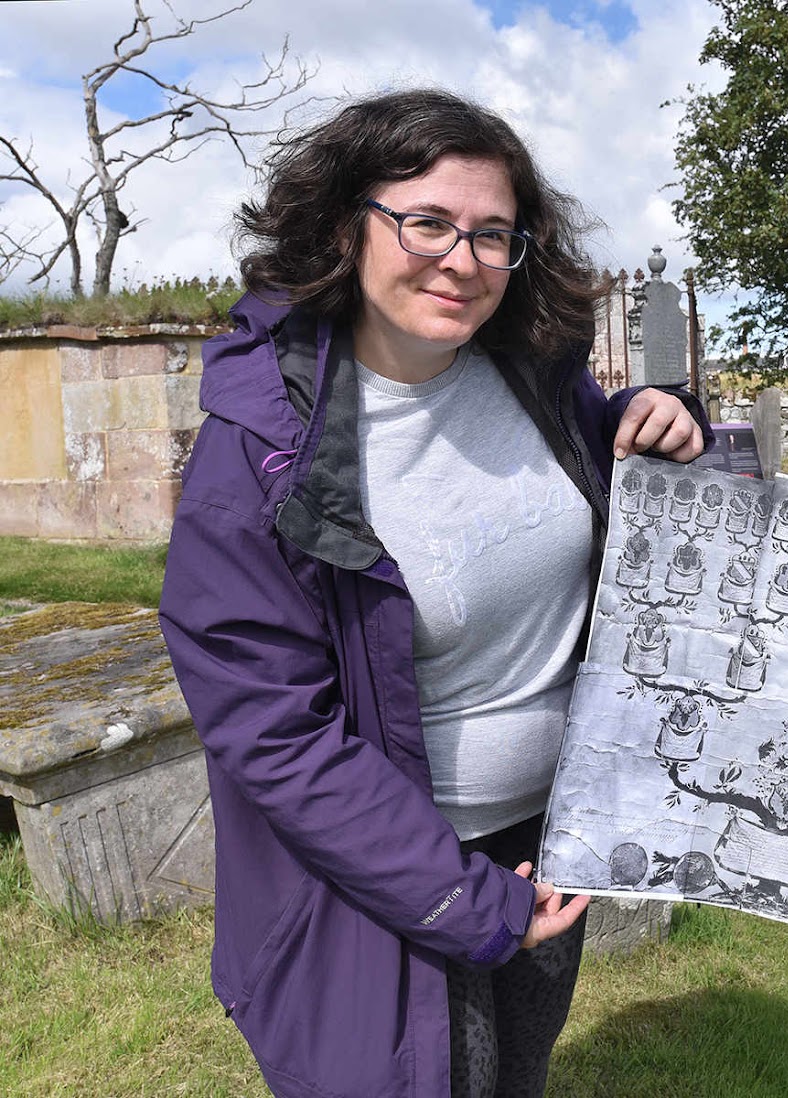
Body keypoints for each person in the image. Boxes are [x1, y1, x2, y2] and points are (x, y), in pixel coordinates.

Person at [158, 89, 710, 1098]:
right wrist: (463, 899)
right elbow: (269, 727)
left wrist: (645, 416)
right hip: (390, 876)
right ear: (343, 225)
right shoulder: (258, 451)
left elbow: (597, 489)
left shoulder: (534, 376)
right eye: (427, 222)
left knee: (515, 1080)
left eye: (492, 234)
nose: (461, 260)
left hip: (549, 842)